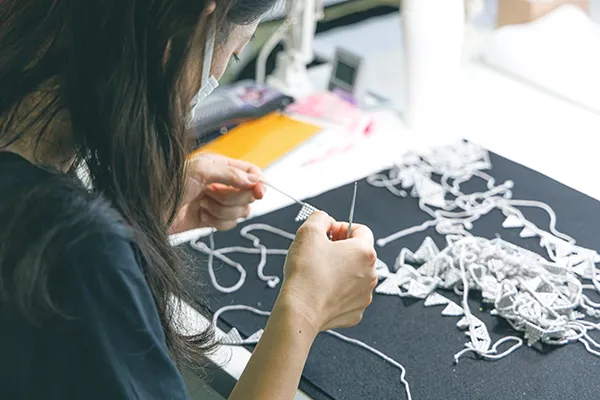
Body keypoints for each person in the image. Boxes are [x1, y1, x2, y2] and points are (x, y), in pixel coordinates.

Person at [0, 1, 378, 399]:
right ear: (196, 21)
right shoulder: (76, 255)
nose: (216, 75)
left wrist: (144, 215)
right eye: (234, 54)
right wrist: (303, 310)